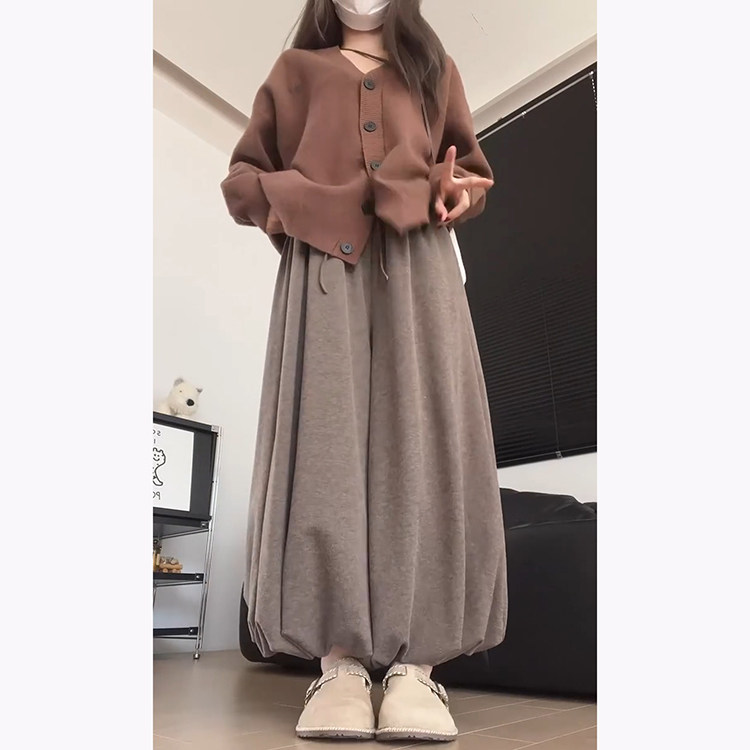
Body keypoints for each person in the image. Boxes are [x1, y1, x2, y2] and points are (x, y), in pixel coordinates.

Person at [221, 0, 507, 742]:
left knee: (427, 447)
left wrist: (457, 191)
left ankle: (418, 668)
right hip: (323, 271)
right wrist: (294, 201)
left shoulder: (433, 69)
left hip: (421, 266)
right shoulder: (296, 71)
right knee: (324, 447)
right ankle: (338, 666)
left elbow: (472, 172)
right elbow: (243, 177)